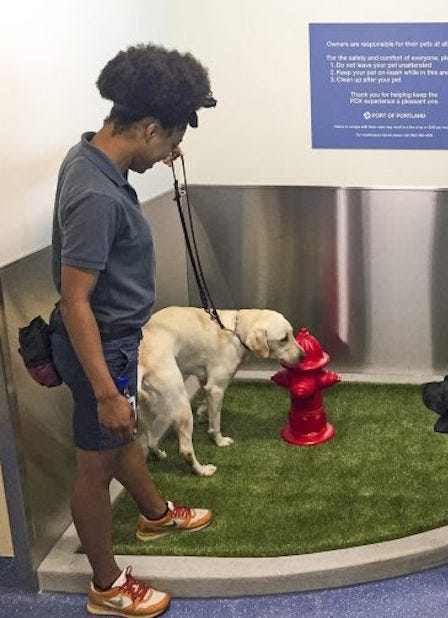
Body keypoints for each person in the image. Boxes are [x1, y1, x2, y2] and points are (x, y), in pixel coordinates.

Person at [50, 44, 216, 617]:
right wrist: (103, 391)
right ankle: (105, 585)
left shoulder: (96, 160)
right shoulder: (96, 192)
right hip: (99, 348)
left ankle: (153, 516)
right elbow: (75, 301)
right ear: (148, 127)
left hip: (118, 344)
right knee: (96, 466)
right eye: (169, 140)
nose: (172, 151)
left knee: (120, 438)